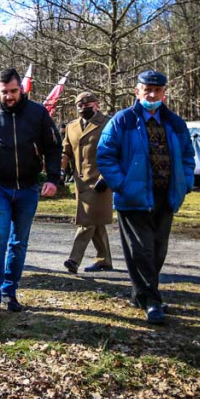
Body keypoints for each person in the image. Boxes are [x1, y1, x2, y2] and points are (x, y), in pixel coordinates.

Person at [97, 70, 194, 325]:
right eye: (147, 89)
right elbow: (105, 155)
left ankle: (140, 294)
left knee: (158, 250)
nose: (152, 94)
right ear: (137, 91)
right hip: (134, 198)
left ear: (164, 92)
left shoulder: (174, 122)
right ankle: (152, 301)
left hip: (165, 197)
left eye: (157, 90)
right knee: (141, 250)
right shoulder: (122, 120)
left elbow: (187, 155)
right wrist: (122, 184)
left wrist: (186, 182)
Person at [0, 68, 62, 320]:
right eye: (4, 92)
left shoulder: (38, 113)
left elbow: (53, 147)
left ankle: (10, 291)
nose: (9, 96)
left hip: (29, 188)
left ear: (22, 89)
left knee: (18, 243)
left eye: (13, 91)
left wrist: (53, 178)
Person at [61, 91, 113, 273]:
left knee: (87, 221)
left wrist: (107, 177)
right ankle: (104, 259)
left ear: (96, 105)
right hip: (80, 182)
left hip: (100, 181)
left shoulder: (108, 124)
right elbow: (66, 151)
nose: (83, 108)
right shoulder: (72, 126)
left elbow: (116, 152)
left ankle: (73, 259)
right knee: (95, 221)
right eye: (79, 105)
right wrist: (61, 169)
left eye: (87, 105)